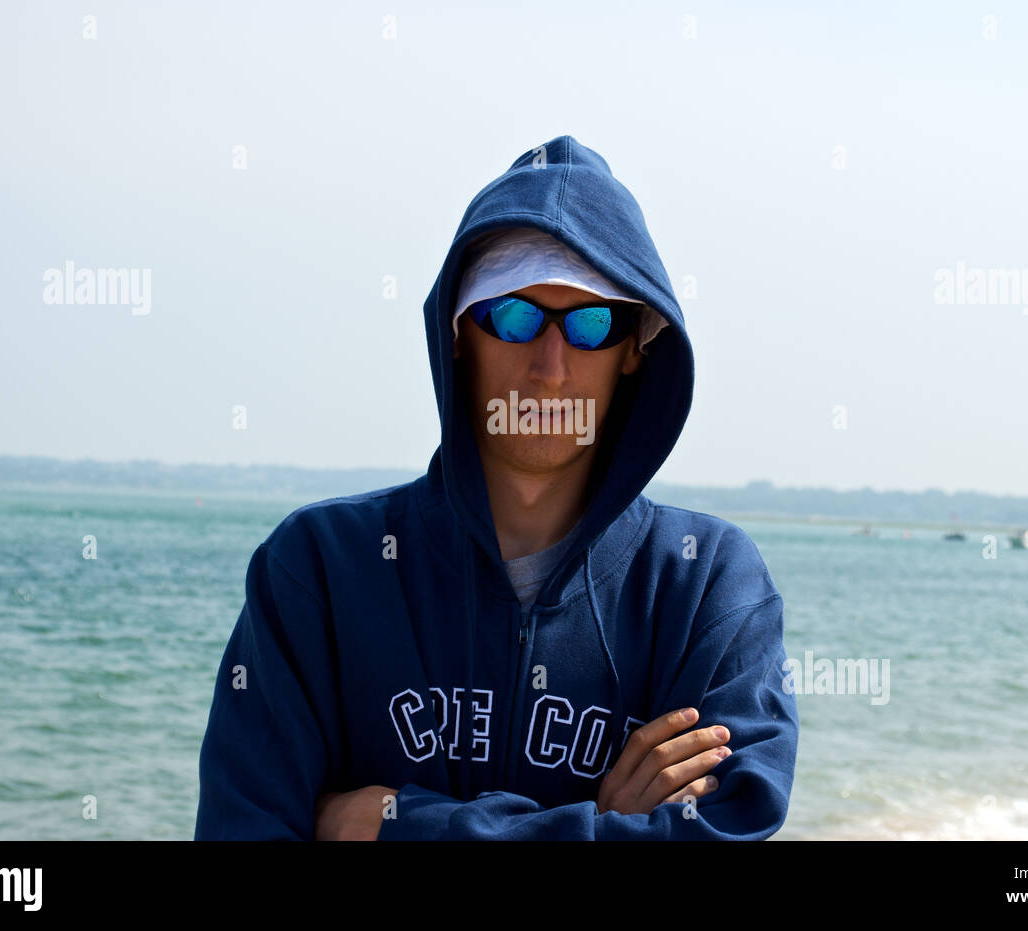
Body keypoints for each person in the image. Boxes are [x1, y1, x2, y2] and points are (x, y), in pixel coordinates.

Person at [194, 134, 798, 841]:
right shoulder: (319, 572)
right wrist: (608, 827)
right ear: (457, 334)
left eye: (591, 322)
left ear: (636, 347)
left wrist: (394, 823)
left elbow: (733, 824)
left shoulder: (705, 583)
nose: (549, 367)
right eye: (510, 317)